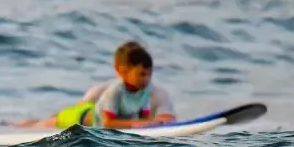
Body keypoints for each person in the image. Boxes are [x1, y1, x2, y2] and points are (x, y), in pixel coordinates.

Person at [17, 41, 176, 129]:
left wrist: (152, 123)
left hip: (96, 113)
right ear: (123, 72)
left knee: (46, 121)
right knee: (41, 125)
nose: (146, 79)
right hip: (79, 118)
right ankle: (15, 126)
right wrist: (137, 124)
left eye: (149, 74)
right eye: (141, 74)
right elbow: (108, 123)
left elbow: (144, 119)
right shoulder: (114, 91)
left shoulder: (145, 92)